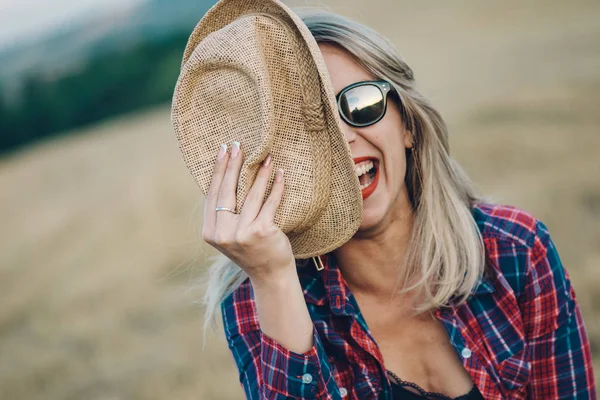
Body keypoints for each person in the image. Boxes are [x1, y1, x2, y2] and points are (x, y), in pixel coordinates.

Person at [200, 9, 596, 400]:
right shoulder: (260, 298)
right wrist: (273, 279)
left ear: (406, 122)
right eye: (310, 125)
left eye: (359, 104)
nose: (342, 140)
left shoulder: (517, 251)